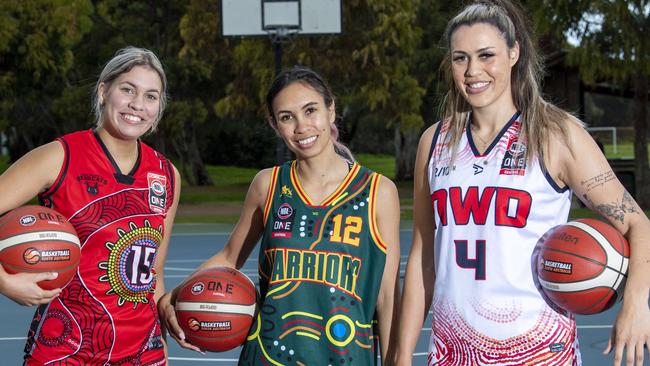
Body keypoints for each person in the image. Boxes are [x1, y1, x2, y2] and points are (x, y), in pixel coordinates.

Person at [396, 1, 650, 365]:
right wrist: (402, 353)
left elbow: (638, 223)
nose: (472, 71)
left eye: (486, 55)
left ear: (514, 53)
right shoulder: (434, 142)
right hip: (454, 353)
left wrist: (637, 304)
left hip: (539, 352)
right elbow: (424, 258)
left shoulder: (555, 134)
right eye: (460, 58)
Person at [158, 66, 401, 365]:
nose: (302, 126)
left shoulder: (377, 191)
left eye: (310, 110)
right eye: (287, 117)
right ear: (274, 125)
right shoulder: (268, 184)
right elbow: (229, 257)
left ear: (331, 109)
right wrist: (177, 294)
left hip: (345, 357)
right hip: (268, 355)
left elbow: (388, 297)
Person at [0, 46, 181, 365]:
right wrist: (3, 281)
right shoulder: (59, 157)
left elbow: (154, 273)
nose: (138, 104)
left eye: (151, 96)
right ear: (103, 91)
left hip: (142, 351)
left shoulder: (166, 174)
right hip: (66, 347)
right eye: (128, 89)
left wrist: (162, 343)